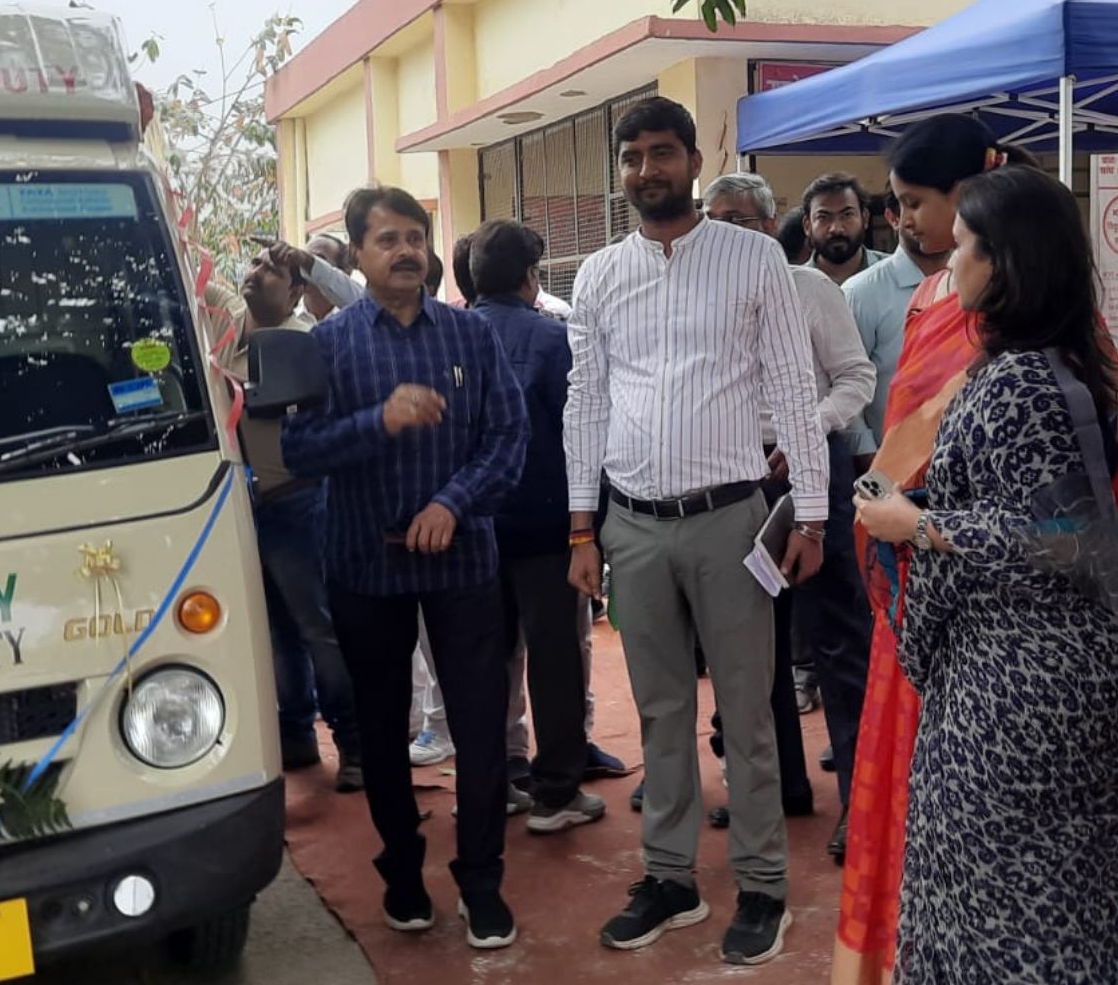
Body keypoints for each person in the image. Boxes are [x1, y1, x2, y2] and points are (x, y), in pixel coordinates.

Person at [834, 114, 1118, 985]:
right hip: (1009, 674)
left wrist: (917, 525)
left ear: (1005, 262)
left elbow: (1064, 537)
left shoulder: (1025, 379)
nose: (944, 262)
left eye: (962, 245)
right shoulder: (1036, 364)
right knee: (1013, 904)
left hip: (1022, 690)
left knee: (1015, 914)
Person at [564, 97, 829, 966]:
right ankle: (671, 878)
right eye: (633, 156)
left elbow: (792, 386)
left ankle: (762, 886)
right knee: (661, 712)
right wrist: (581, 528)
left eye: (662, 152)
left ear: (692, 159)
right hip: (633, 528)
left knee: (748, 714)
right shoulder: (600, 275)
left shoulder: (754, 257)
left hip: (731, 523)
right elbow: (585, 401)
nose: (648, 169)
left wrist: (814, 514)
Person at [282, 185, 529, 950]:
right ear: (357, 254)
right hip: (365, 567)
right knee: (384, 730)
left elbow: (508, 438)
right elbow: (297, 451)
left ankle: (482, 882)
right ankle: (402, 873)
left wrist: (453, 504)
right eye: (387, 239)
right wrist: (378, 420)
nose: (405, 251)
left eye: (415, 237)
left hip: (464, 564)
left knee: (481, 729)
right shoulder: (328, 345)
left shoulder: (469, 334)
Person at [703, 172, 876, 864]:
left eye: (740, 220)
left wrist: (810, 427)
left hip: (814, 470)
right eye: (715, 219)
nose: (725, 232)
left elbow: (856, 378)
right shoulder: (700, 301)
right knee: (754, 646)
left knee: (838, 639)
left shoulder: (810, 290)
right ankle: (779, 789)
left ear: (772, 226)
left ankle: (863, 804)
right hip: (733, 478)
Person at [467, 219, 610, 834]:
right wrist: (591, 527)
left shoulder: (450, 336)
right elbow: (582, 433)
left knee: (483, 659)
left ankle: (492, 782)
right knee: (555, 660)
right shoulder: (555, 339)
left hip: (472, 527)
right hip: (547, 525)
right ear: (531, 276)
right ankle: (556, 792)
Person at [205, 243, 364, 791]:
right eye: (255, 265)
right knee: (276, 630)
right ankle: (295, 734)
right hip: (244, 508)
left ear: (297, 291)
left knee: (318, 628)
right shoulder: (227, 325)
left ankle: (354, 745)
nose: (257, 273)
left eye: (273, 270)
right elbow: (193, 270)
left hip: (298, 501)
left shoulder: (304, 342)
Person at [844, 184, 954, 452]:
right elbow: (845, 382)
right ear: (893, 217)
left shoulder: (977, 284)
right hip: (890, 461)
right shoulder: (861, 293)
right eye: (915, 206)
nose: (929, 218)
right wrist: (866, 453)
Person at [803, 172, 886, 287]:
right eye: (823, 217)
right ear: (807, 226)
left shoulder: (893, 274)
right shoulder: (793, 285)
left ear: (865, 218)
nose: (836, 229)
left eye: (847, 215)